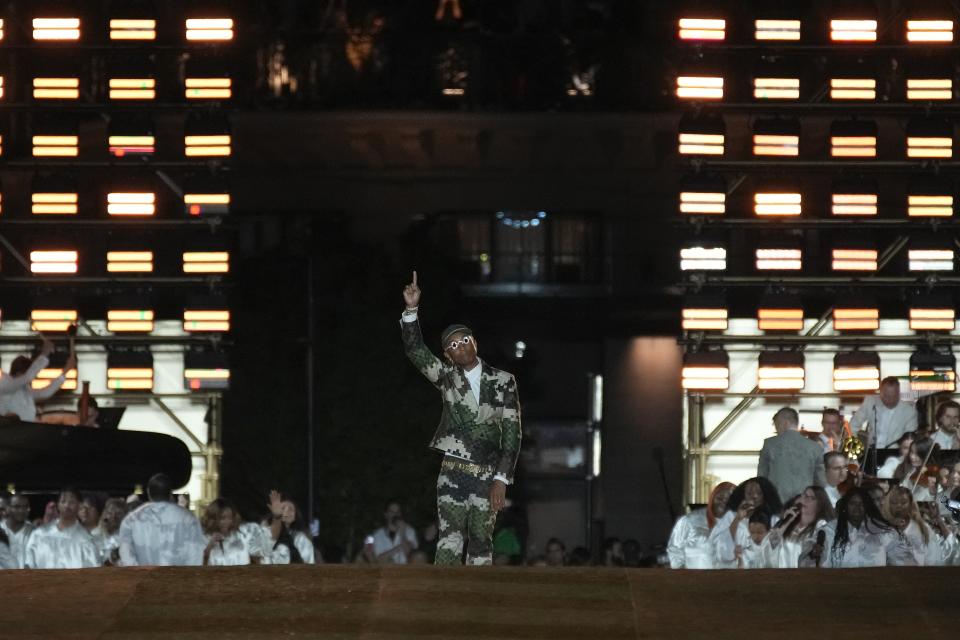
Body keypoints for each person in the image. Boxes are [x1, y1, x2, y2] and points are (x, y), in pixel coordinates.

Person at [401, 271, 521, 566]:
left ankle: (477, 602)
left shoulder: (503, 380)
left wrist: (501, 480)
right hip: (453, 469)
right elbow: (416, 351)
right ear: (448, 355)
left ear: (475, 342)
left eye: (464, 340)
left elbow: (512, 433)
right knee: (450, 537)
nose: (460, 346)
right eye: (453, 345)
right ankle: (444, 599)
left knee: (481, 541)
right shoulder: (446, 377)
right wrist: (411, 310)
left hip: (487, 472)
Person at [118, 473, 207, 566]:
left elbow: (126, 554)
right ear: (170, 493)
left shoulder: (131, 520)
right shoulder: (188, 519)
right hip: (177, 578)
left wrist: (139, 575)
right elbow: (195, 555)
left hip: (143, 578)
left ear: (148, 492)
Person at [824, 487, 915, 568]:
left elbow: (904, 561)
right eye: (852, 503)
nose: (857, 507)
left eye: (861, 504)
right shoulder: (829, 530)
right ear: (846, 505)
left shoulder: (883, 530)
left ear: (867, 506)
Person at [708, 477, 783, 569]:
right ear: (742, 495)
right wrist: (737, 519)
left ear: (765, 496)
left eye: (759, 493)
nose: (754, 496)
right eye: (749, 493)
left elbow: (777, 550)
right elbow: (719, 548)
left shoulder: (773, 519)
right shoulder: (730, 517)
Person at [758, 407, 827, 504]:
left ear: (785, 423)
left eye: (777, 424)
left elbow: (761, 478)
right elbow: (821, 482)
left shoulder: (769, 444)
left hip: (776, 503)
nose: (776, 429)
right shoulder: (815, 447)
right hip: (804, 503)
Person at [0, 336, 76, 421]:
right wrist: (45, 353)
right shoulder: (4, 385)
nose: (32, 379)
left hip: (24, 431)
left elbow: (44, 393)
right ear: (19, 373)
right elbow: (28, 377)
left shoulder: (25, 389)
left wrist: (66, 370)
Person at [24, 488, 99, 569]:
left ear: (79, 505)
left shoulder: (86, 540)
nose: (67, 506)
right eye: (63, 501)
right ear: (58, 505)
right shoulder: (40, 534)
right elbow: (29, 564)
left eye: (71, 502)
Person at [666, 481, 734, 569]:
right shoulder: (690, 521)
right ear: (712, 497)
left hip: (728, 579)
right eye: (720, 498)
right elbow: (675, 549)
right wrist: (681, 574)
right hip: (694, 579)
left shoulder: (739, 525)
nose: (723, 502)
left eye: (729, 500)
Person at [763, 486, 835, 569]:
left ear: (819, 504)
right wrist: (786, 522)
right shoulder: (789, 522)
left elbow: (812, 554)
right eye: (804, 495)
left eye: (811, 498)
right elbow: (770, 546)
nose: (805, 499)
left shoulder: (821, 526)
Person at [882, 486, 948, 566]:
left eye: (903, 502)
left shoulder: (923, 528)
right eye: (894, 502)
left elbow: (934, 559)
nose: (898, 506)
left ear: (910, 505)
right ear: (888, 505)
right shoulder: (882, 528)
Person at [850, 377, 918, 452]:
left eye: (894, 396)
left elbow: (909, 439)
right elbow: (852, 426)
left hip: (895, 453)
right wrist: (855, 449)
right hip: (871, 452)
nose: (890, 400)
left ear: (899, 393)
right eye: (886, 396)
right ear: (880, 393)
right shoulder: (870, 402)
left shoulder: (909, 412)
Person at [202, 498, 261, 566]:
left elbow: (257, 558)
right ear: (214, 519)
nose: (227, 522)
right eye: (223, 518)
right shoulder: (205, 537)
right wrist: (210, 545)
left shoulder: (243, 535)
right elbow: (200, 561)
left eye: (230, 518)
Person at [262, 490, 315, 564]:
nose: (287, 511)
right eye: (283, 508)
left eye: (291, 509)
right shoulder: (263, 531)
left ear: (295, 517)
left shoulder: (301, 539)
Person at [1, 494, 35, 568]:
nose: (22, 510)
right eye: (17, 507)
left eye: (25, 507)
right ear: (8, 508)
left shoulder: (34, 532)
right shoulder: (0, 529)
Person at [94, 498, 126, 566]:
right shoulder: (96, 533)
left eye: (118, 514)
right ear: (105, 514)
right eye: (110, 513)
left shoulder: (126, 536)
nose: (114, 516)